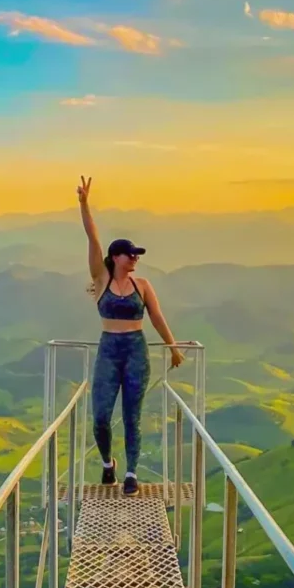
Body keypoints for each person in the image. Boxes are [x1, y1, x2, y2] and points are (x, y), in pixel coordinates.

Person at [78, 176, 185, 497]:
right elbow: (93, 239)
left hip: (136, 351)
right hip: (109, 350)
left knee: (132, 416)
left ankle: (130, 473)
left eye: (137, 254)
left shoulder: (143, 286)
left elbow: (156, 317)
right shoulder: (100, 279)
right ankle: (108, 464)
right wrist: (84, 204)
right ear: (116, 257)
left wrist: (173, 348)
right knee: (100, 417)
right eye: (130, 254)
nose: (136, 258)